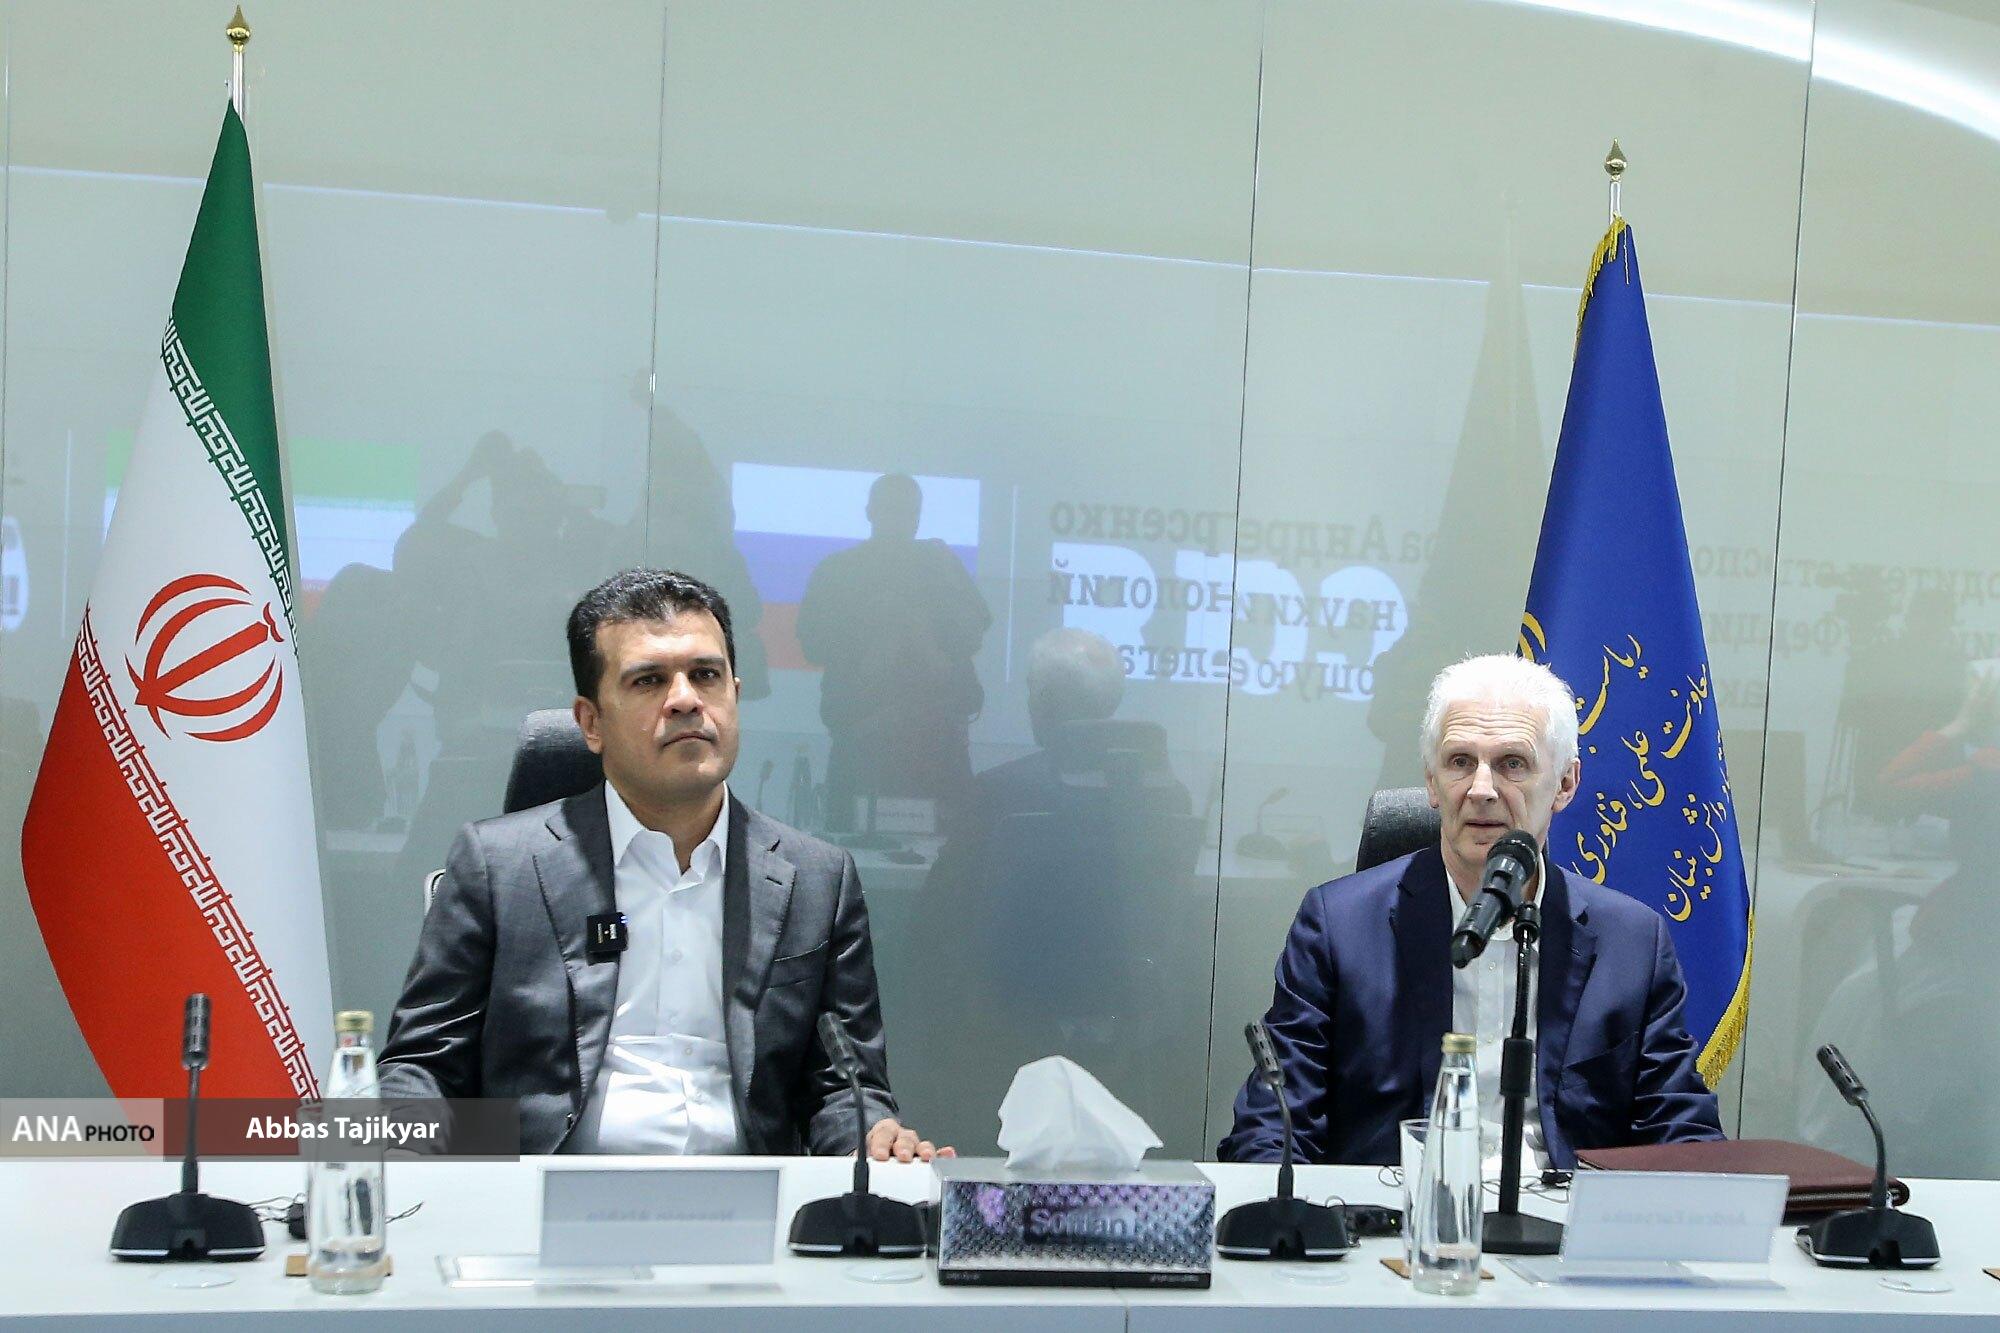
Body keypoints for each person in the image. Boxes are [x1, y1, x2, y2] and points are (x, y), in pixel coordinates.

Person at [378, 568, 946, 1161]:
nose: (685, 699)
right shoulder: (498, 867)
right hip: (547, 1193)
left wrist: (870, 1137)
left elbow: (844, 1089)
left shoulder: (817, 881)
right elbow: (422, 1067)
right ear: (591, 723)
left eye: (706, 675)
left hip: (748, 1201)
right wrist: (414, 1166)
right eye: (649, 680)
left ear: (734, 694)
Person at [1218, 653, 1722, 1169]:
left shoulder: (1632, 942)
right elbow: (1273, 1126)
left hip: (1564, 1213)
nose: (1481, 790)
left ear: (1565, 784)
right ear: (1432, 782)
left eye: (1512, 764)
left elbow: (1681, 1134)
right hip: (1394, 1210)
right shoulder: (1337, 926)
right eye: (1460, 762)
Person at [795, 472, 990, 830]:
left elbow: (974, 633)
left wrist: (921, 629)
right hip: (861, 735)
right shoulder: (838, 571)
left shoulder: (942, 566)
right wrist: (868, 632)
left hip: (936, 741)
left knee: (950, 851)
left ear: (919, 516)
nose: (901, 519)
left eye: (909, 511)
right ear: (870, 512)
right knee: (847, 849)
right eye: (892, 509)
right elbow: (813, 644)